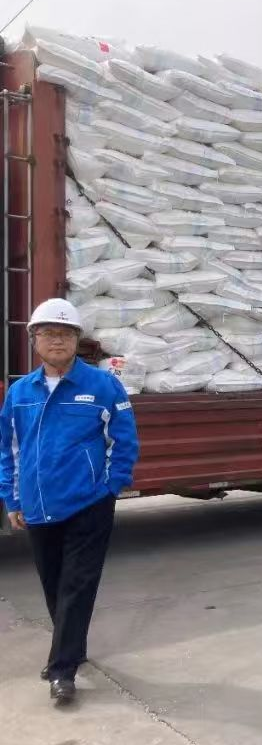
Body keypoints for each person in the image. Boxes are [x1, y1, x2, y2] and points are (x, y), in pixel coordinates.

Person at [0, 298, 138, 705]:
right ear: (34, 340)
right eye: (48, 333)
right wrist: (12, 498)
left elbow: (125, 441)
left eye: (65, 334)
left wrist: (110, 487)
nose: (56, 340)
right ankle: (72, 649)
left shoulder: (103, 386)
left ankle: (62, 670)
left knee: (77, 585)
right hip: (38, 506)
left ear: (77, 340)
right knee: (54, 585)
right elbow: (8, 449)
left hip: (88, 504)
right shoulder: (20, 392)